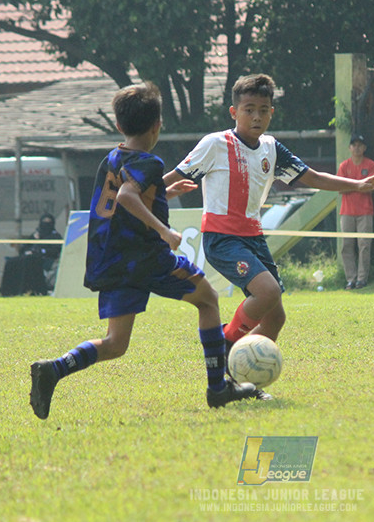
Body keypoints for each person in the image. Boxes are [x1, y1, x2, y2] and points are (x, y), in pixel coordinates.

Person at [29, 82, 257, 420]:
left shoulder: (112, 158)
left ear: (119, 126)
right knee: (208, 299)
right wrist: (164, 230)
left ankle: (54, 369)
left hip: (113, 260)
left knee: (116, 344)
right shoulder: (150, 162)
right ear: (157, 126)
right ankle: (218, 389)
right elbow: (127, 197)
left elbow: (127, 191)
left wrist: (165, 190)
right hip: (147, 258)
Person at [163, 73, 374, 398]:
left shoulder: (272, 148)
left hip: (254, 239)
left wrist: (356, 185)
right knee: (267, 292)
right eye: (249, 109)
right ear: (233, 112)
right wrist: (145, 193)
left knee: (276, 318)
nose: (256, 116)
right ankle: (224, 347)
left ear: (272, 113)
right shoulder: (216, 144)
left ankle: (244, 384)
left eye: (264, 109)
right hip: (222, 238)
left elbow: (311, 177)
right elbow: (172, 177)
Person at [337, 134, 374, 289]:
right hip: (347, 211)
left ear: (364, 148)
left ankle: (362, 279)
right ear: (350, 148)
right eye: (354, 145)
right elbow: (340, 188)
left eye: (360, 145)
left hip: (365, 211)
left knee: (364, 245)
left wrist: (351, 186)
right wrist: (359, 186)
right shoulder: (344, 166)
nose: (357, 148)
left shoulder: (370, 165)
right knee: (346, 245)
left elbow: (371, 187)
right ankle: (350, 279)